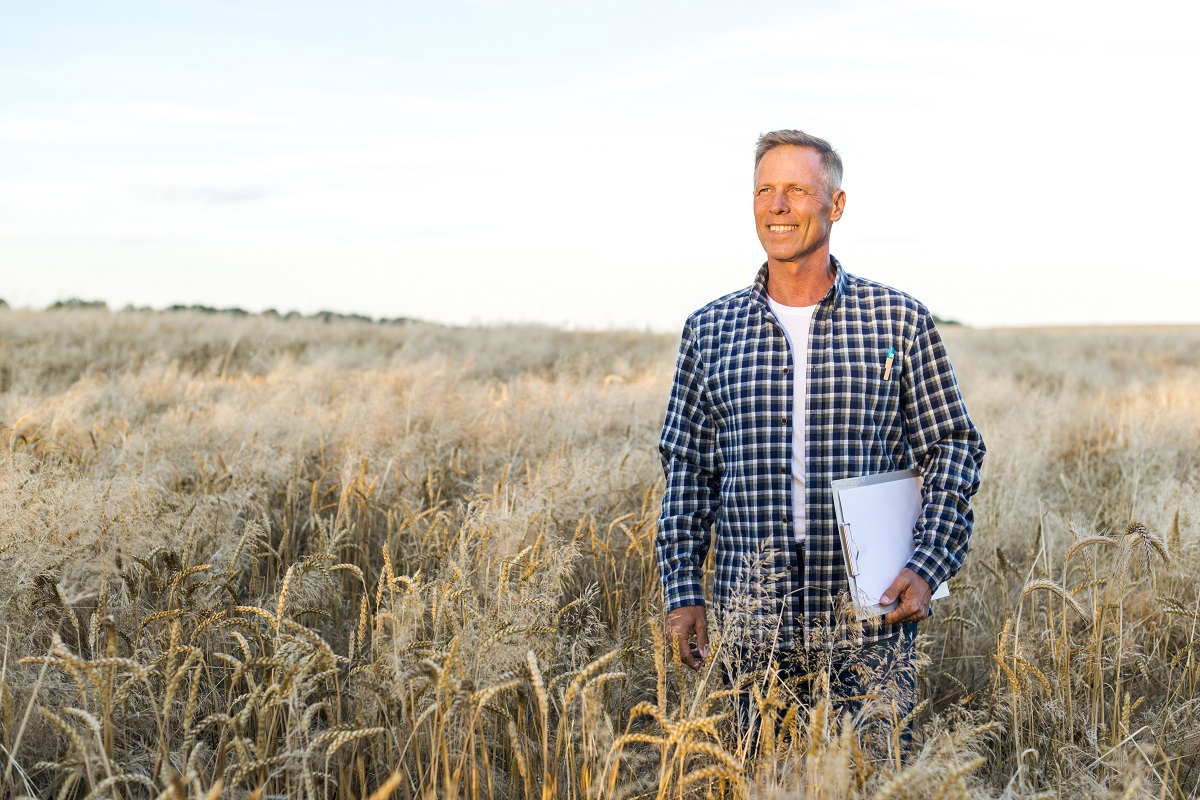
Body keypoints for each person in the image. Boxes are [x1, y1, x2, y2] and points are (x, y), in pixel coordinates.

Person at [655, 129, 985, 750]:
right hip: (751, 619)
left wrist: (927, 564)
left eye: (797, 189)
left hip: (867, 620)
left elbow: (953, 445)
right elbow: (687, 469)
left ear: (835, 206)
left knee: (873, 780)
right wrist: (682, 593)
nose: (777, 205)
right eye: (764, 190)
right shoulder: (709, 330)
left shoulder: (898, 320)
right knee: (758, 779)